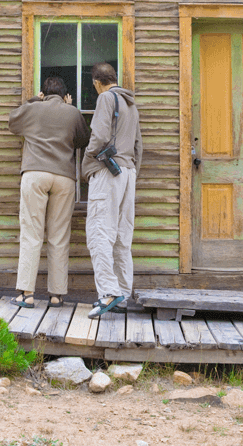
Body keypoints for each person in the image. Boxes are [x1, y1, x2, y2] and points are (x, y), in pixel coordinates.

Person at [8, 76, 90, 308]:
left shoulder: (34, 108)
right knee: (59, 236)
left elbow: (12, 123)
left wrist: (34, 100)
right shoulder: (72, 112)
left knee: (32, 234)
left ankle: (27, 294)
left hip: (35, 174)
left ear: (43, 93)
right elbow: (82, 140)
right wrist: (69, 107)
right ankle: (56, 294)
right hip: (64, 178)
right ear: (65, 95)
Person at [81, 62, 142, 318]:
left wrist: (88, 156)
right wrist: (133, 171)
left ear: (97, 82)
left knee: (98, 232)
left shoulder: (106, 97)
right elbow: (138, 145)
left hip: (108, 171)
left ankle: (108, 292)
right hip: (128, 173)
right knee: (121, 237)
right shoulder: (130, 103)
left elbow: (99, 135)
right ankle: (123, 295)